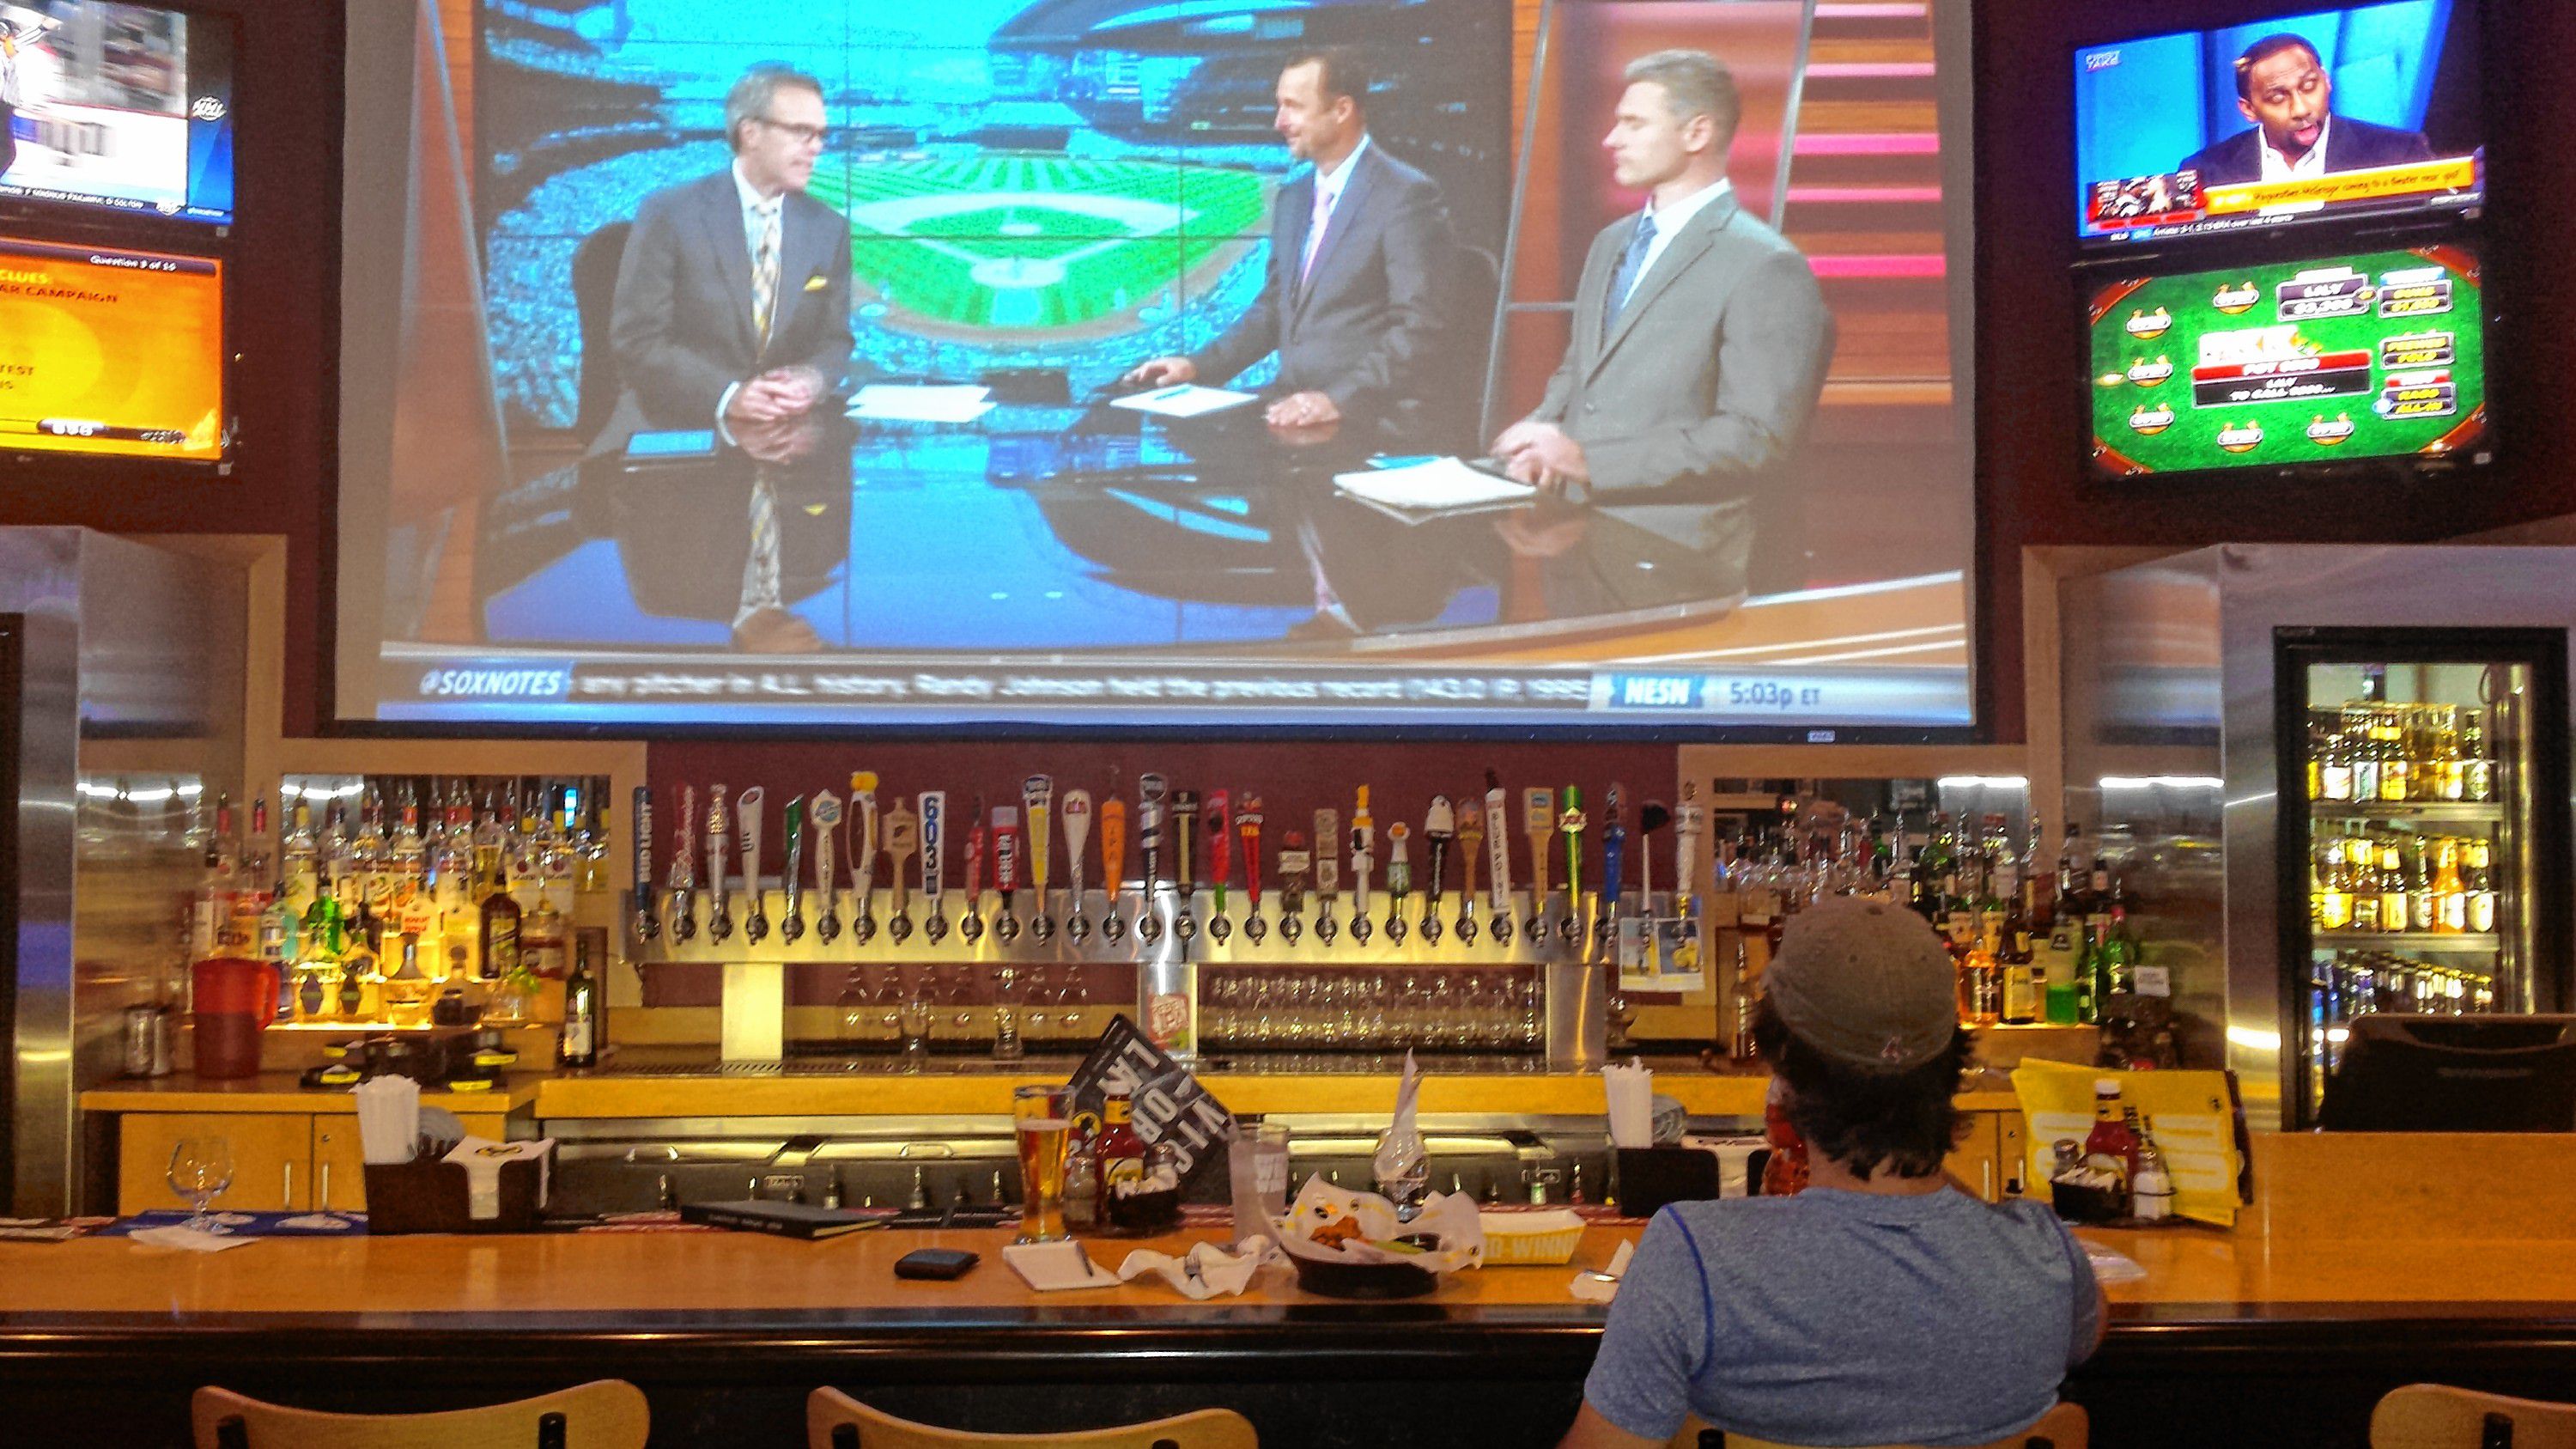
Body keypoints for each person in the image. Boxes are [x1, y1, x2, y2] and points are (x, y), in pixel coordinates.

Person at [1558, 898, 2105, 1449]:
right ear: (1952, 1065)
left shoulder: (1692, 1259)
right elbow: (2089, 1330)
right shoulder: (2044, 1258)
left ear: (1784, 1069)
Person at [1492, 50, 1832, 571]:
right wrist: (1540, 434)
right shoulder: (1611, 243)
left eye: (1633, 123)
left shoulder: (1766, 266)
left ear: (1697, 133)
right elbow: (1581, 372)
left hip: (1681, 554)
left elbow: (1753, 438)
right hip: (1577, 536)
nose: (1612, 139)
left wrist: (1588, 462)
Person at [1124, 46, 1448, 435]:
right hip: (1291, 403)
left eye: (1293, 107)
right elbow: (1275, 308)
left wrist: (1336, 400)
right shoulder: (1294, 198)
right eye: (1279, 106)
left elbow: (1420, 326)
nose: (1280, 122)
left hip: (1369, 416)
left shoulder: (1405, 196)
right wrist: (1198, 366)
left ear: (1341, 110)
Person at [606, 64, 855, 440]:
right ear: (750, 133)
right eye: (802, 132)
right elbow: (638, 340)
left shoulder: (828, 229)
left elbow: (834, 340)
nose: (816, 147)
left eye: (820, 134)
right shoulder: (669, 214)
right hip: (677, 426)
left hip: (783, 435)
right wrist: (730, 396)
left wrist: (811, 380)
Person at [2178, 33, 2434, 186]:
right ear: (2249, 110)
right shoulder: (2205, 172)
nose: (2301, 109)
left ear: (2327, 80)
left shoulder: (2400, 154)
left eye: (2309, 86)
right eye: (2278, 97)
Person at [0, 4, 64, 183]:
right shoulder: (4, 48)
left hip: (5, 108)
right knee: (7, 152)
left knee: (7, 152)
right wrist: (44, 27)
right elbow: (22, 41)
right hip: (1, 107)